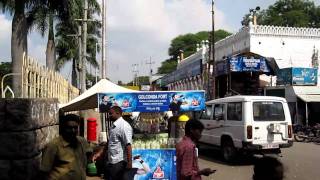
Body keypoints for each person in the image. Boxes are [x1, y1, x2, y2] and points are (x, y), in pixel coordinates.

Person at [39, 114, 92, 180]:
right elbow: (44, 171)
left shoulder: (82, 142)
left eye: (75, 127)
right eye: (69, 128)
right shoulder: (53, 146)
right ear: (63, 128)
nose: (73, 131)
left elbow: (89, 153)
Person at [105, 106, 133, 180]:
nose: (109, 116)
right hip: (111, 161)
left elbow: (128, 145)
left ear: (117, 113)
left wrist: (129, 163)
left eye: (111, 114)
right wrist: (100, 153)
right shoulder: (113, 126)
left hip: (119, 162)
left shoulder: (124, 126)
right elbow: (109, 141)